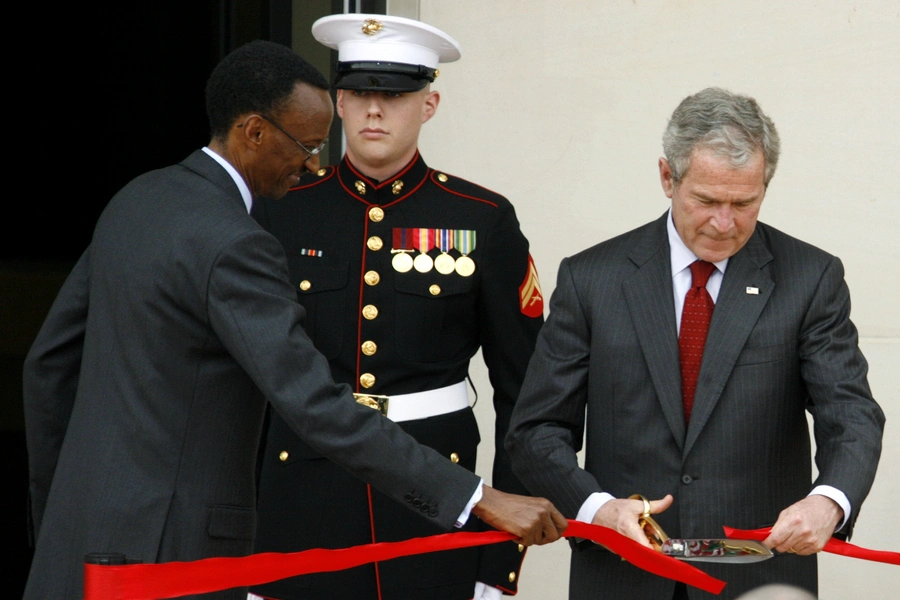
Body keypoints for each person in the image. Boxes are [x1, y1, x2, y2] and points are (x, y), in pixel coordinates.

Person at [22, 40, 566, 600]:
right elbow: (312, 401)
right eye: (306, 144)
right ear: (254, 132)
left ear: (428, 104)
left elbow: (47, 371)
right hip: (189, 543)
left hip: (89, 542)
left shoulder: (136, 199)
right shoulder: (241, 236)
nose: (311, 161)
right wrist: (478, 500)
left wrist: (61, 517)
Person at [505, 87, 884, 599]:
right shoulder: (591, 279)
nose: (724, 223)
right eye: (706, 200)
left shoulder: (810, 279)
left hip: (756, 574)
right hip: (623, 572)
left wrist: (829, 501)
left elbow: (852, 415)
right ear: (667, 177)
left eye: (744, 203)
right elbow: (535, 430)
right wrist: (597, 509)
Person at [248, 14, 546, 600]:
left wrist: (497, 561)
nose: (375, 110)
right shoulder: (279, 211)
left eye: (395, 94)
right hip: (302, 501)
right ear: (338, 102)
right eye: (360, 93)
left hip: (435, 504)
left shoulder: (480, 218)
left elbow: (527, 395)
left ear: (429, 104)